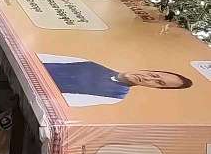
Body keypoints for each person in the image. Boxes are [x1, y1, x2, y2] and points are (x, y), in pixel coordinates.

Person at [37, 54, 192, 106]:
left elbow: (58, 101)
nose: (147, 78)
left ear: (155, 88)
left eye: (158, 82)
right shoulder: (92, 64)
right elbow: (40, 58)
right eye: (154, 75)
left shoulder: (114, 96)